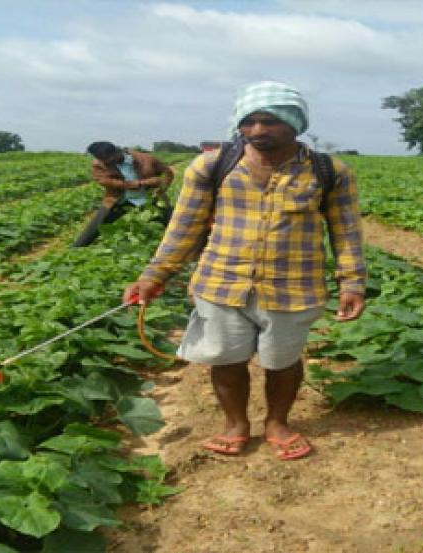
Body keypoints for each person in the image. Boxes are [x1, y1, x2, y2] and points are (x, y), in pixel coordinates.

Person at [123, 81, 367, 461]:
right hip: (221, 281)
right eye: (248, 121)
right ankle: (235, 424)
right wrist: (154, 275)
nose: (257, 131)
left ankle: (277, 422)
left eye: (269, 121)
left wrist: (353, 281)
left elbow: (345, 231)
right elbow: (184, 226)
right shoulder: (211, 165)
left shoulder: (328, 171)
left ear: (294, 122)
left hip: (293, 284)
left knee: (283, 361)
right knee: (226, 359)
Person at [71, 141, 175, 248]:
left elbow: (168, 173)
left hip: (149, 197)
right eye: (102, 160)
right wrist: (140, 183)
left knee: (171, 221)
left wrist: (161, 189)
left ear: (117, 151)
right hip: (120, 198)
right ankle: (76, 249)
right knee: (98, 223)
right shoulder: (99, 165)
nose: (106, 163)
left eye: (109, 160)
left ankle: (178, 246)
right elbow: (105, 181)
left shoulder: (146, 159)